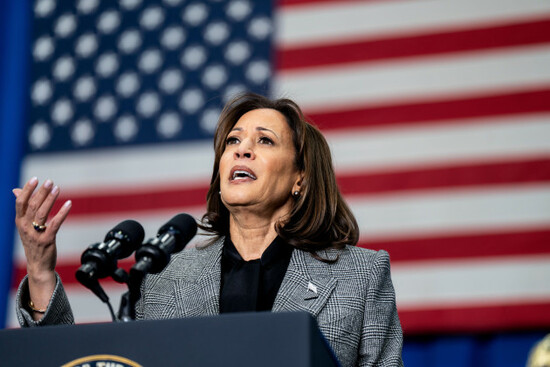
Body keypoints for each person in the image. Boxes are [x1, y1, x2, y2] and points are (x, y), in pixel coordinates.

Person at [13, 93, 404, 366]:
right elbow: (88, 364)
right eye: (233, 140)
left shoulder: (360, 276)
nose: (241, 149)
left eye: (264, 141)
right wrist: (41, 270)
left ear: (300, 178)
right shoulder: (164, 277)